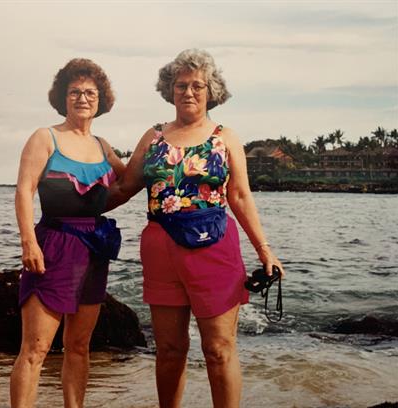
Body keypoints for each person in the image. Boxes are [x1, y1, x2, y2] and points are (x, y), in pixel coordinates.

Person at [107, 49, 285, 408]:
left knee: (219, 349)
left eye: (197, 85)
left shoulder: (226, 137)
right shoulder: (153, 136)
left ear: (211, 91)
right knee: (170, 351)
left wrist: (265, 250)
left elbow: (240, 196)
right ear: (169, 91)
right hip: (160, 249)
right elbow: (124, 188)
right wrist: (69, 211)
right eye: (181, 85)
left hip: (215, 246)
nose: (189, 92)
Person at [10, 58, 124, 408]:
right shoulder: (46, 138)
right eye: (74, 92)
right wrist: (29, 241)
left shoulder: (104, 146)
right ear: (63, 97)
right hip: (54, 244)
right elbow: (23, 191)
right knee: (35, 349)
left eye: (90, 92)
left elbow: (127, 184)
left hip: (94, 248)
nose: (82, 98)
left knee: (79, 346)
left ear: (100, 99)